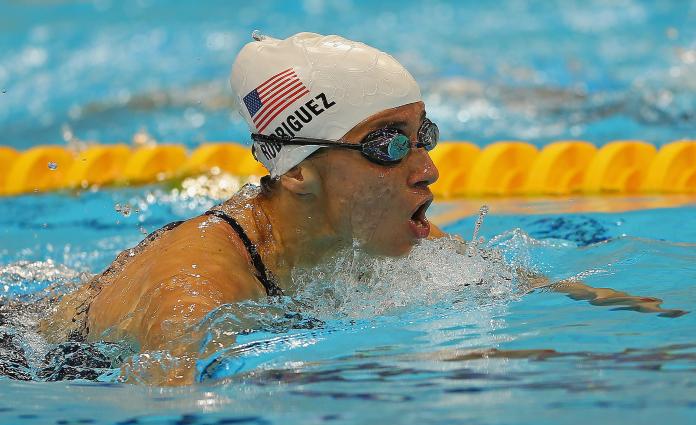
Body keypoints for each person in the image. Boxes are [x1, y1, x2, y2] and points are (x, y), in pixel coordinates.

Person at [39, 32, 685, 385]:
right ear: (298, 175)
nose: (427, 168)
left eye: (422, 135)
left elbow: (526, 285)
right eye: (388, 145)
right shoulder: (199, 291)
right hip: (43, 360)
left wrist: (667, 336)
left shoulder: (369, 234)